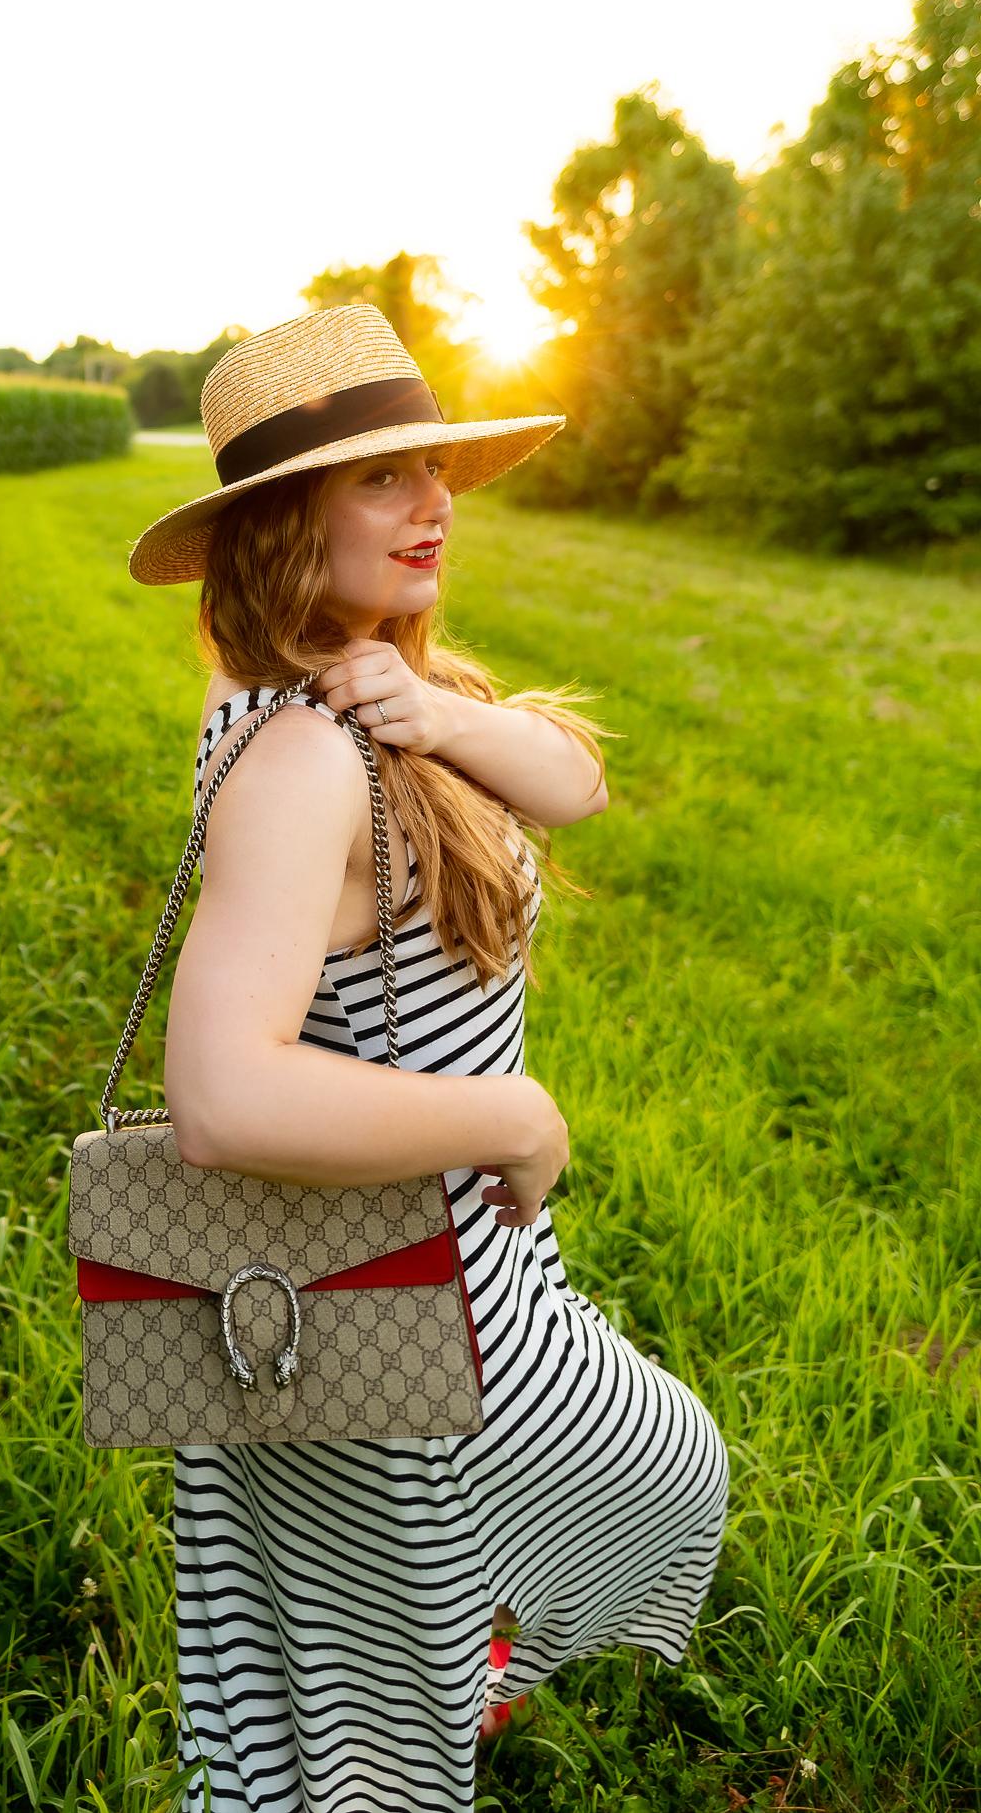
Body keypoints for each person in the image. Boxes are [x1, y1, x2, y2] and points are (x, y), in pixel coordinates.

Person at [126, 302, 731, 1813]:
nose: (436, 502)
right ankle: (448, 1688)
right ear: (282, 519)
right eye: (382, 479)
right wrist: (515, 1110)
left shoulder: (379, 690)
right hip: (387, 1301)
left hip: (452, 1271)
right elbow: (221, 1093)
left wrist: (436, 712)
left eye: (436, 467)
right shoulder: (300, 756)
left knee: (646, 1483)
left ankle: (461, 1673)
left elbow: (577, 781)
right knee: (375, 1725)